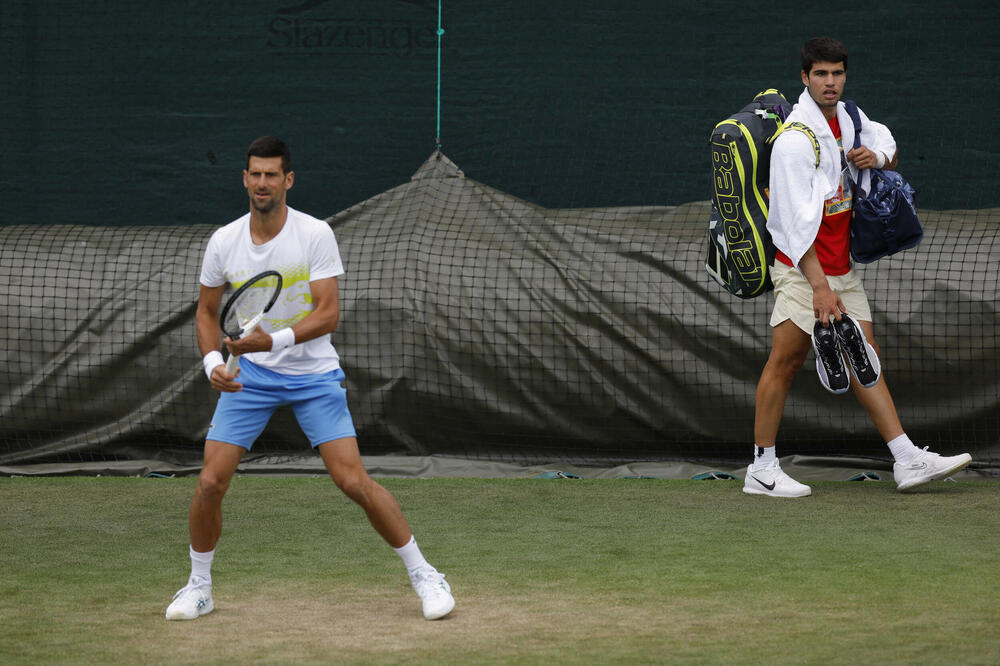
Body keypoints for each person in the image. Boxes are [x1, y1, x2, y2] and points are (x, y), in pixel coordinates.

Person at [166, 136, 455, 620]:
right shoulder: (224, 241)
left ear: (288, 180)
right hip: (250, 377)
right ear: (245, 178)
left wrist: (272, 341)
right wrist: (212, 364)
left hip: (313, 374)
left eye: (271, 175)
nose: (262, 183)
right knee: (211, 481)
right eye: (255, 174)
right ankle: (199, 587)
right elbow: (206, 312)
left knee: (352, 480)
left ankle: (426, 574)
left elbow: (328, 315)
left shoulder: (314, 234)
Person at [744, 38, 972, 498]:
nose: (831, 82)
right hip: (801, 269)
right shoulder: (793, 142)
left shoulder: (849, 118)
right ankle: (762, 468)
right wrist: (819, 288)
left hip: (841, 265)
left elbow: (884, 140)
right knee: (786, 361)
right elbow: (790, 226)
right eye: (821, 74)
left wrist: (877, 157)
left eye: (838, 73)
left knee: (866, 355)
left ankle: (906, 460)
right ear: (805, 79)